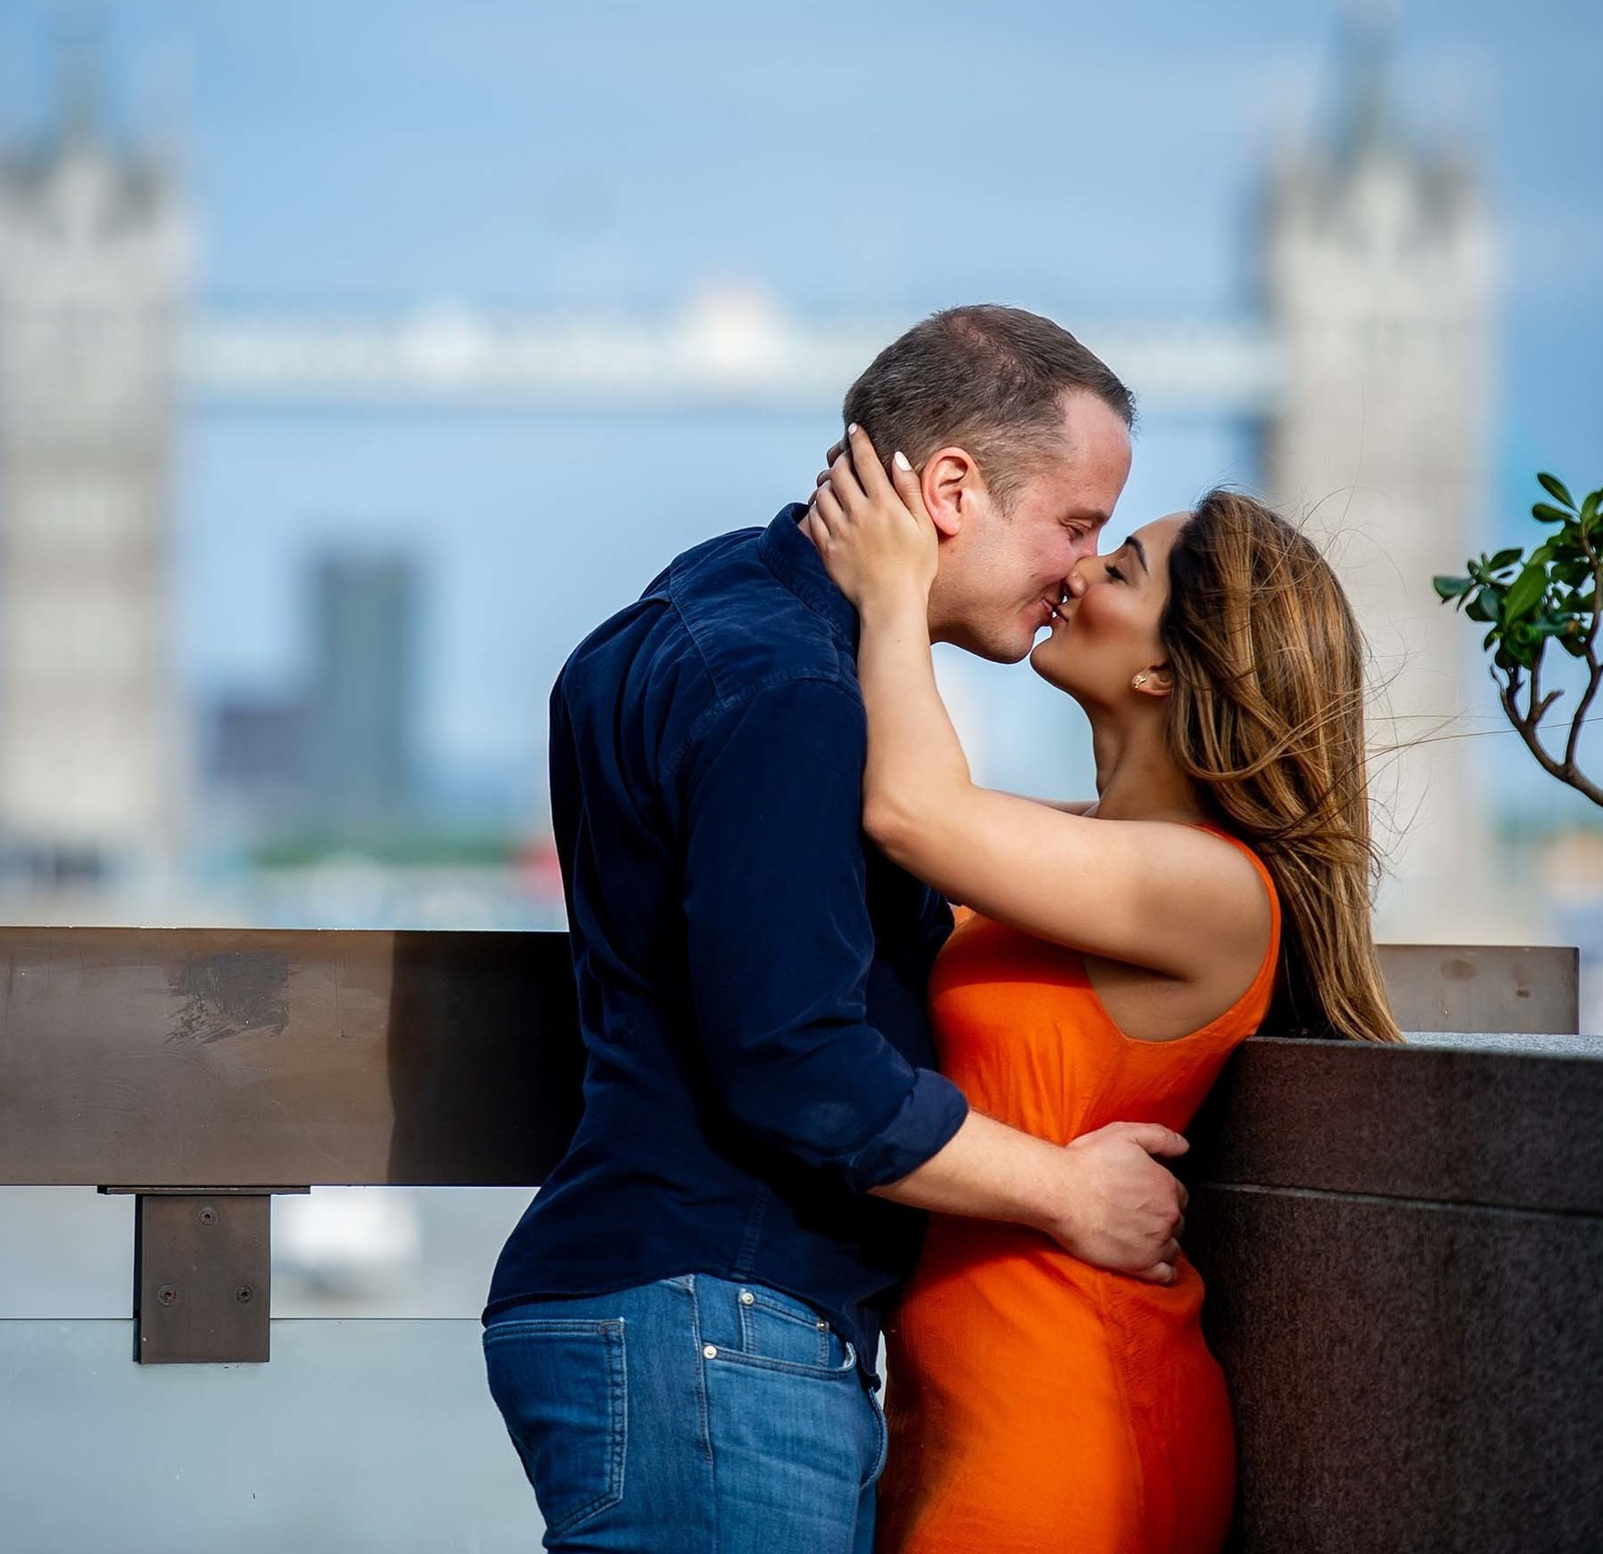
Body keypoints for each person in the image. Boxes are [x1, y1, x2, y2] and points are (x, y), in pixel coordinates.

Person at [485, 307, 1193, 1554]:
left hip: (659, 1312)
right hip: (717, 1328)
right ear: (952, 489)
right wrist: (1069, 1195)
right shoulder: (797, 697)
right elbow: (798, 1061)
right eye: (1074, 526)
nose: (1080, 570)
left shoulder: (698, 613)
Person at [803, 430, 1402, 1554]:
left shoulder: (1214, 888)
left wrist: (895, 593)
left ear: (1167, 671)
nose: (1077, 571)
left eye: (1118, 568)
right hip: (957, 1417)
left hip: (1072, 1431)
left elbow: (913, 813)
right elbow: (924, 807)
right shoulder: (1080, 852)